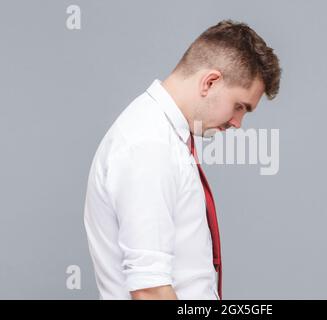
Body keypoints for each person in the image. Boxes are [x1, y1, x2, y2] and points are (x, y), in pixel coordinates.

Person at [83, 19, 281, 300]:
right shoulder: (148, 145)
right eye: (239, 106)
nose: (238, 123)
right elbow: (150, 290)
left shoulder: (165, 137)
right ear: (210, 82)